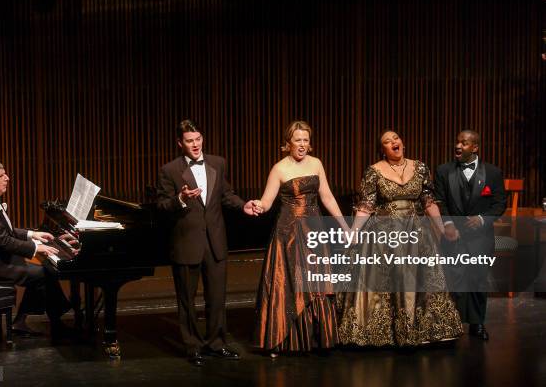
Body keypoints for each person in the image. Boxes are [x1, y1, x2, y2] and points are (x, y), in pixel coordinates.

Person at [336, 130, 463, 346]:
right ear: (383, 149)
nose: (393, 142)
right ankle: (388, 333)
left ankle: (419, 330)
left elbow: (429, 201)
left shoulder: (420, 167)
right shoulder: (374, 171)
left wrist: (442, 228)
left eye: (395, 138)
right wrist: (354, 232)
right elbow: (367, 206)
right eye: (387, 141)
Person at [157, 119, 260, 366]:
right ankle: (193, 346)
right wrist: (180, 198)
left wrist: (242, 204)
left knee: (217, 297)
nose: (195, 145)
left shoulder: (217, 163)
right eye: (190, 141)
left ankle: (216, 343)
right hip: (186, 243)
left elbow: (226, 194)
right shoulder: (169, 170)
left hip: (215, 241)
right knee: (187, 300)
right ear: (180, 143)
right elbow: (161, 206)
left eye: (198, 139)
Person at [253, 120, 348, 356]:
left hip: (314, 231)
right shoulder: (279, 168)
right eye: (298, 140)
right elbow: (266, 202)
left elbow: (327, 196)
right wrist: (257, 205)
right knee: (289, 284)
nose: (303, 144)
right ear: (288, 143)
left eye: (306, 140)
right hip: (289, 234)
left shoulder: (316, 164)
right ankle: (283, 339)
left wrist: (344, 226)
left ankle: (317, 338)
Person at [0, 161, 72, 337]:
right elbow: (4, 241)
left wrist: (33, 235)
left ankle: (27, 321)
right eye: (1, 176)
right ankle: (54, 321)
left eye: (5, 174)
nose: (7, 178)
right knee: (44, 273)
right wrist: (37, 248)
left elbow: (7, 231)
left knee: (43, 272)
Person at [434, 130, 506, 340]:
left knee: (477, 277)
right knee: (454, 278)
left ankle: (477, 323)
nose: (458, 146)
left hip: (479, 237)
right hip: (452, 234)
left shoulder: (492, 173)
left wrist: (483, 219)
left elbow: (500, 203)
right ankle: (452, 324)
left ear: (475, 147)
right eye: (457, 142)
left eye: (463, 143)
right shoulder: (443, 171)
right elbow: (440, 201)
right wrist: (447, 224)